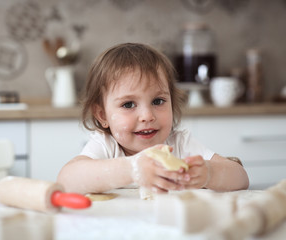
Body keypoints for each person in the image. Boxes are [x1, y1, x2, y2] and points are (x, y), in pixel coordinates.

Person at [57, 43, 249, 195]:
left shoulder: (180, 143)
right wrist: (131, 169)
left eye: (158, 101)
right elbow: (66, 180)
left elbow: (241, 179)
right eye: (128, 104)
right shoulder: (106, 145)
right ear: (102, 115)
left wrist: (209, 174)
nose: (148, 116)